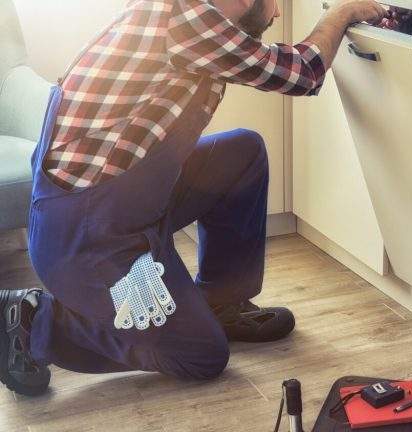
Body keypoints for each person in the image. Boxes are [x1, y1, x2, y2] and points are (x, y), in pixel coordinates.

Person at [0, 0, 390, 397]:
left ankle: (223, 303)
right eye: (274, 4)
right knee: (199, 354)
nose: (275, 16)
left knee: (242, 154)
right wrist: (341, 13)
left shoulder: (181, 14)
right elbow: (302, 73)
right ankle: (34, 321)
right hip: (88, 242)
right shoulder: (186, 19)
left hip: (125, 204)